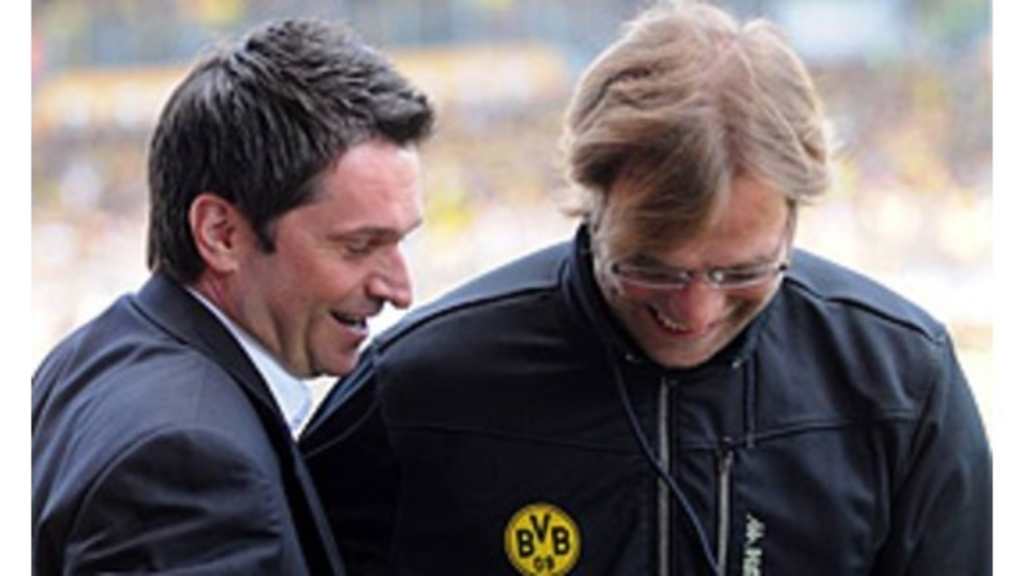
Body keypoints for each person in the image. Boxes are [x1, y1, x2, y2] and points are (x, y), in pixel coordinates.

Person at [301, 2, 991, 575]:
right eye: (652, 268)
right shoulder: (418, 390)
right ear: (592, 203)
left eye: (741, 272)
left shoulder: (901, 384)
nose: (695, 311)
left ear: (793, 221)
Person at [32, 17, 433, 575]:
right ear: (221, 234)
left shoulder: (87, 360)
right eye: (358, 246)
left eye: (401, 242)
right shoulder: (190, 463)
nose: (400, 290)